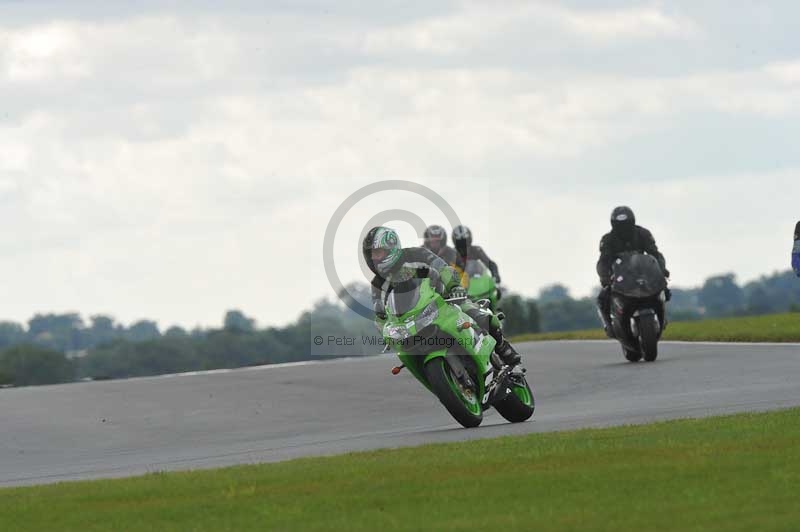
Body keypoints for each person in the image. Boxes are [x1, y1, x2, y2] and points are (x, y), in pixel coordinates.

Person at [363, 226, 520, 365]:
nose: (374, 258)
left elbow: (443, 268)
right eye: (371, 254)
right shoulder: (377, 283)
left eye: (378, 252)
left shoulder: (417, 254)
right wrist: (386, 333)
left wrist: (454, 286)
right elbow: (380, 315)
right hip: (414, 318)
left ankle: (502, 346)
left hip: (444, 298)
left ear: (392, 248)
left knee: (473, 311)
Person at [595, 206, 670, 337]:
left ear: (633, 222)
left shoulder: (643, 234)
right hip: (620, 277)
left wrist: (661, 270)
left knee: (664, 290)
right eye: (620, 225)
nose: (624, 228)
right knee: (602, 298)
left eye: (627, 224)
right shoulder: (608, 239)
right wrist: (605, 278)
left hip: (643, 274)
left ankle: (662, 317)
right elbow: (603, 261)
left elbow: (655, 254)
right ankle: (609, 325)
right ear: (614, 224)